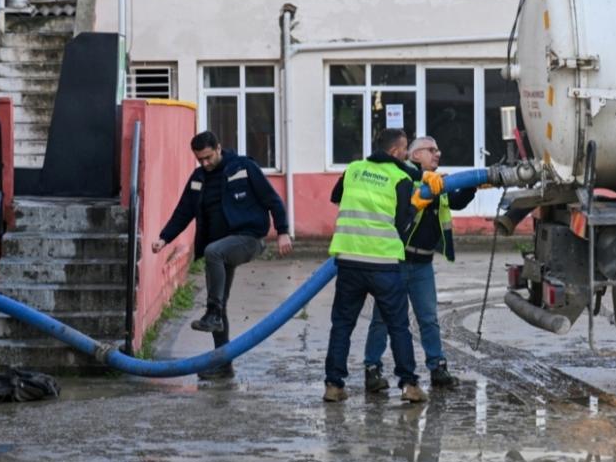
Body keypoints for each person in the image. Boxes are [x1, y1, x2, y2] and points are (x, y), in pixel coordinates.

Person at [152, 131, 291, 379]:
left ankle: (212, 313)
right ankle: (223, 364)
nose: (204, 164)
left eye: (207, 157)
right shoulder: (198, 179)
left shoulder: (243, 167)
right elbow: (183, 212)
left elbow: (272, 200)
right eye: (199, 160)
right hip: (221, 248)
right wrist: (164, 238)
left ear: (218, 148)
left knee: (212, 253)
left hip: (249, 239)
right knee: (219, 299)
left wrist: (282, 231)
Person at [322, 128, 443, 404]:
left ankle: (333, 385)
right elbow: (402, 223)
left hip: (349, 261)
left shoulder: (353, 169)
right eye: (404, 151)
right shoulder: (399, 177)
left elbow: (336, 196)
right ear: (395, 152)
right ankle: (409, 386)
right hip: (383, 263)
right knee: (398, 326)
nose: (407, 156)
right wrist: (417, 204)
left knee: (341, 325)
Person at [363, 136, 475, 392]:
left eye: (438, 149)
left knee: (428, 318)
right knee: (382, 318)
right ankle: (372, 368)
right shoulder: (405, 178)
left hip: (423, 264)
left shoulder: (439, 183)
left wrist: (473, 184)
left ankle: (438, 368)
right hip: (396, 262)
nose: (438, 153)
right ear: (414, 156)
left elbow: (456, 201)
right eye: (431, 150)